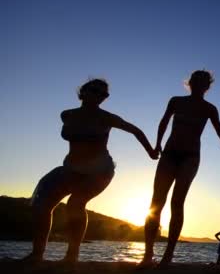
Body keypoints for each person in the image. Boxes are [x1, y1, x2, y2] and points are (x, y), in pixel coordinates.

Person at [23, 78, 157, 264]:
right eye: (95, 90)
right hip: (71, 169)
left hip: (99, 171)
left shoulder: (107, 118)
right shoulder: (67, 115)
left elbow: (135, 130)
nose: (99, 96)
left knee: (75, 204)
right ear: (83, 91)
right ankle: (37, 254)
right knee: (42, 203)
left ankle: (72, 256)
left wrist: (151, 151)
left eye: (104, 94)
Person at [139, 70, 220, 268]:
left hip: (190, 158)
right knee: (156, 202)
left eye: (203, 81)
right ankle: (148, 254)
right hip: (169, 154)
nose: (199, 84)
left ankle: (168, 256)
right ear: (189, 82)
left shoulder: (209, 109)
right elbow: (164, 121)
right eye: (195, 80)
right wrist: (157, 144)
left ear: (207, 86)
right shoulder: (176, 101)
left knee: (177, 202)